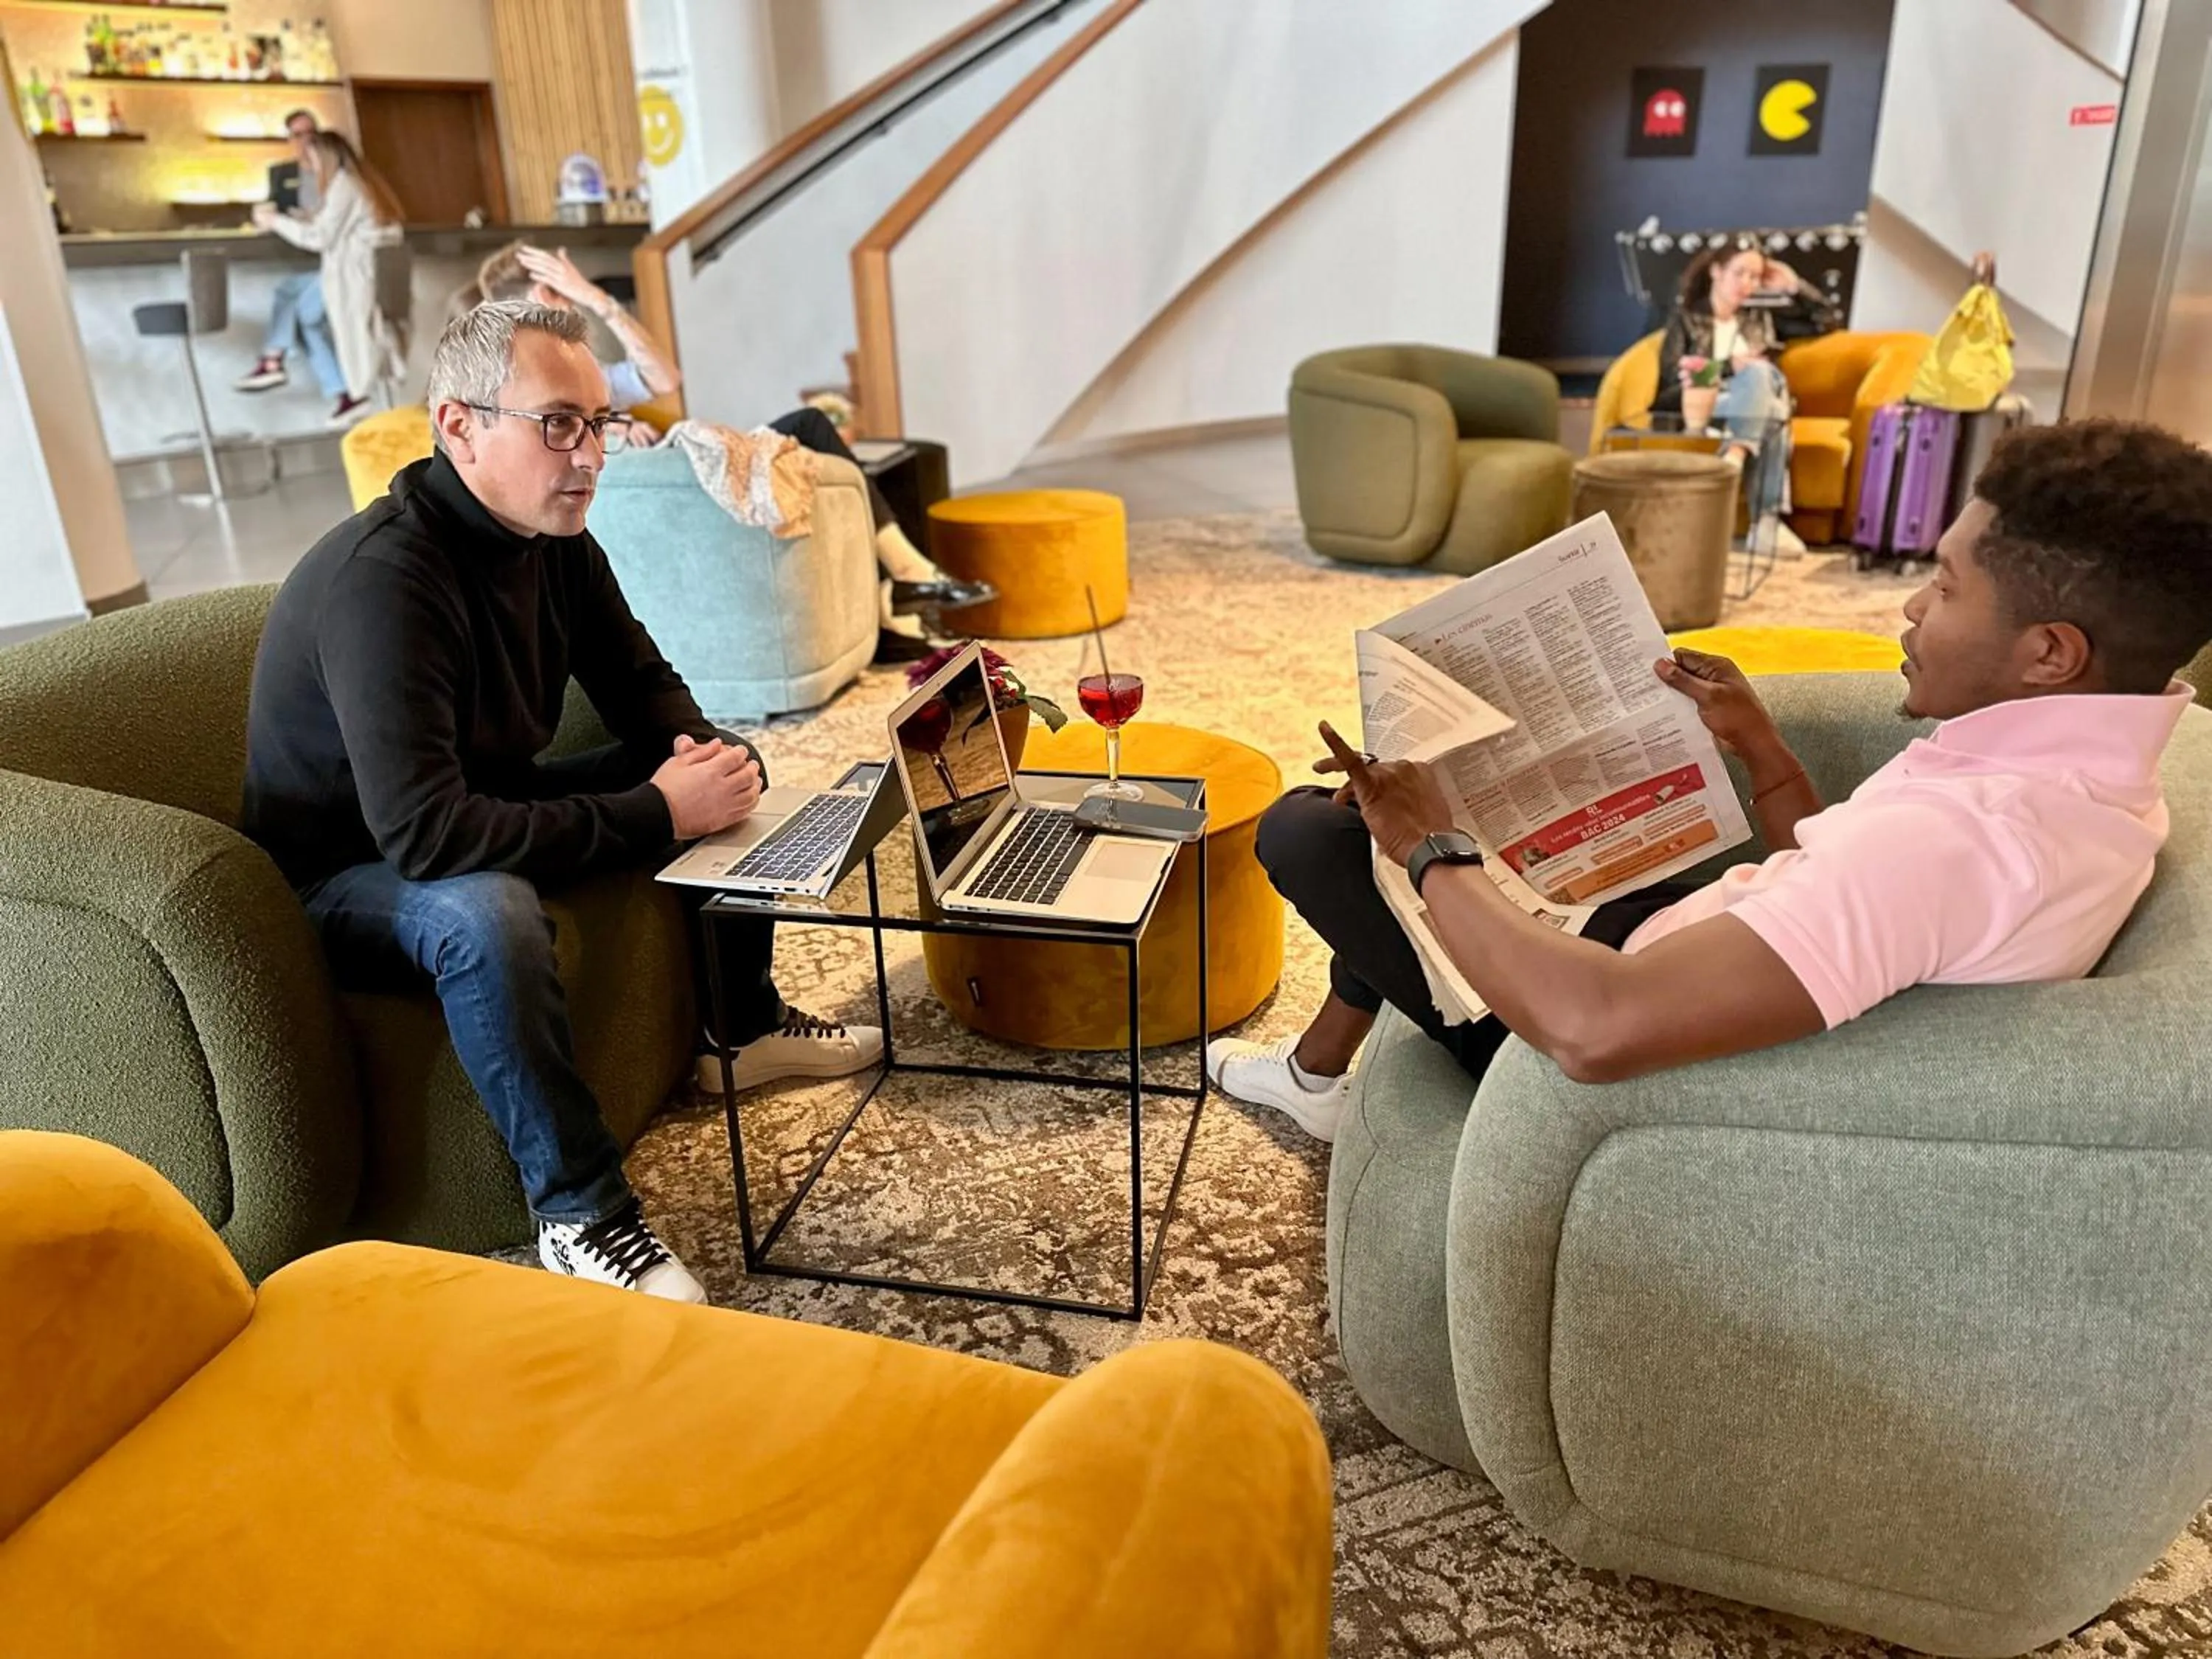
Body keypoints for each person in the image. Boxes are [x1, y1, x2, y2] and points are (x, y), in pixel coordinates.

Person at [1207, 420, 2212, 1142]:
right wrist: (1762, 751)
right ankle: (1320, 1069)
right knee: (1452, 811)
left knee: (1313, 831)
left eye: (1946, 585)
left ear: (2050, 653)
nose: (1910, 605)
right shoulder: (2086, 785)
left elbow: (1597, 1031)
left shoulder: (1965, 840)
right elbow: (1851, 910)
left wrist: (1430, 846)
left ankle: (1323, 1064)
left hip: (1606, 1021)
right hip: (1703, 947)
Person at [241, 299, 884, 1303]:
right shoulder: (386, 580)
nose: (591, 453)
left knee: (718, 760)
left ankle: (740, 1028)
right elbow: (427, 836)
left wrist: (698, 757)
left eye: (599, 422)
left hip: (475, 800)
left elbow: (639, 680)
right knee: (488, 911)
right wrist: (659, 812)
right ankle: (580, 1212)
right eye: (558, 423)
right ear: (459, 425)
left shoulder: (553, 537)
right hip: (343, 870)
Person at [473, 240, 992, 662]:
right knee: (807, 427)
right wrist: (610, 420)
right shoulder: (523, 401)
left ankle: (901, 590)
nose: (568, 301)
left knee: (807, 428)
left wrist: (597, 302)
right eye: (557, 290)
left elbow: (663, 377)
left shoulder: (591, 380)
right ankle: (909, 577)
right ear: (539, 295)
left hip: (674, 479)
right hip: (666, 490)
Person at [1652, 237, 1840, 554]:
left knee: (1763, 383)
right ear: (1716, 271)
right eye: (1740, 273)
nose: (1747, 284)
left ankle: (1736, 453)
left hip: (1752, 407)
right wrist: (1728, 367)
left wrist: (1795, 285)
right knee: (1771, 404)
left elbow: (1828, 321)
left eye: (1755, 276)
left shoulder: (1761, 320)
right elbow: (1672, 381)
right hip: (1710, 405)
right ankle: (1766, 524)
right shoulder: (1687, 320)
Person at [250, 131, 406, 428]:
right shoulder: (357, 184)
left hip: (354, 276)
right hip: (356, 273)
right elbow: (328, 225)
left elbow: (319, 237)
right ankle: (330, 385)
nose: (309, 167)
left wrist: (275, 221)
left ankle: (274, 358)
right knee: (297, 305)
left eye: (311, 160)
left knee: (296, 304)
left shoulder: (344, 186)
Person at [234, 108, 333, 397]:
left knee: (299, 309)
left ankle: (273, 359)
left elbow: (326, 229)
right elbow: (273, 208)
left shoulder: (338, 176)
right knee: (298, 307)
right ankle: (343, 394)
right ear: (290, 138)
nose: (307, 141)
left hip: (335, 262)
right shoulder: (282, 173)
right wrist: (272, 219)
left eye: (312, 133)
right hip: (304, 257)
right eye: (299, 134)